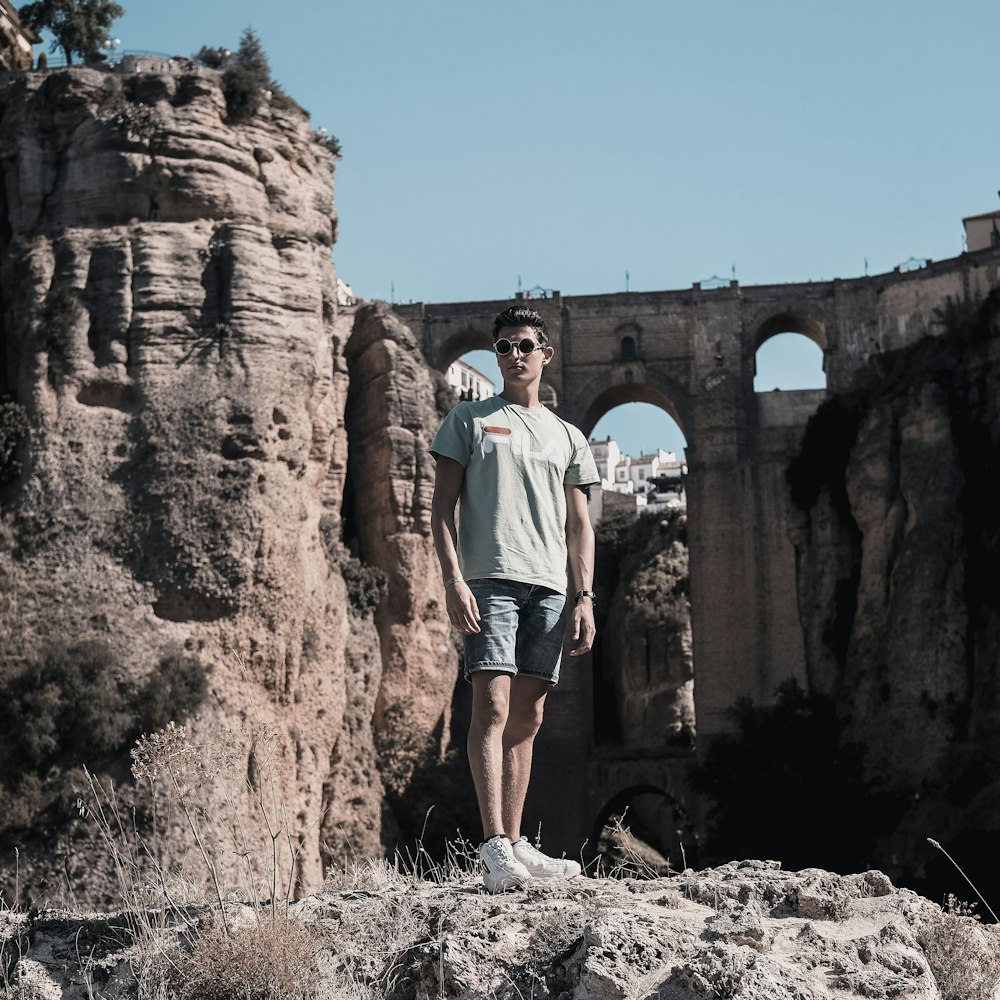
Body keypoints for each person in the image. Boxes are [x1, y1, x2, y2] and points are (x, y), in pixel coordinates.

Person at [430, 306, 599, 892]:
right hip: (489, 580)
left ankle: (520, 845)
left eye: (524, 345)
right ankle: (494, 845)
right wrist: (453, 580)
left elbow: (581, 525)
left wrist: (586, 597)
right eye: (502, 347)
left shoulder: (569, 436)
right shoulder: (467, 419)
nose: (513, 355)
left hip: (550, 587)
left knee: (527, 718)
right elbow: (441, 510)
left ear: (545, 354)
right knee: (492, 709)